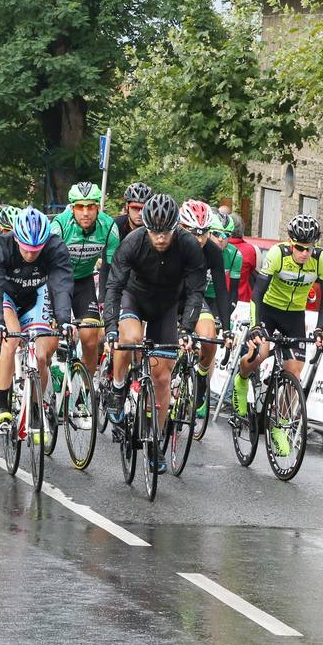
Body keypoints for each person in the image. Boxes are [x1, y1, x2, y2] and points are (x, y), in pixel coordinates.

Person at [104, 194, 208, 475]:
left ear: (176, 228)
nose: (160, 239)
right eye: (154, 232)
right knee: (130, 338)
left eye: (166, 233)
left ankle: (155, 443)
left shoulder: (187, 246)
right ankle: (117, 385)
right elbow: (113, 286)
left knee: (162, 378)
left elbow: (196, 290)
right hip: (134, 298)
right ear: (146, 228)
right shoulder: (133, 241)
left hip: (166, 307)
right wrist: (111, 326)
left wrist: (187, 327)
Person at [236, 214, 323, 453]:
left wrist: (319, 328)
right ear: (291, 242)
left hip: (294, 316)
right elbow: (257, 292)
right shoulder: (278, 254)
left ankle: (279, 425)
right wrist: (257, 326)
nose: (304, 253)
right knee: (260, 353)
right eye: (299, 248)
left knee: (294, 373)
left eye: (309, 248)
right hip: (268, 310)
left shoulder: (322, 260)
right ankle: (242, 380)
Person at [0, 207, 75, 430]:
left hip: (36, 297)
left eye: (37, 249)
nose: (31, 254)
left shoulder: (55, 247)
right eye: (26, 248)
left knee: (42, 355)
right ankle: (2, 407)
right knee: (10, 339)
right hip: (5, 296)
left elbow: (61, 286)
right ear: (16, 238)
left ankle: (35, 406)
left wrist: (63, 320)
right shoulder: (0, 246)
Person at [49, 181, 118, 380]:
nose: (85, 212)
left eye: (90, 206)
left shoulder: (109, 228)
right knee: (51, 339)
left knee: (90, 338)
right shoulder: (59, 226)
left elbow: (112, 268)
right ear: (72, 208)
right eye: (80, 206)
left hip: (83, 282)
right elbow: (47, 266)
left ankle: (85, 391)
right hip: (55, 282)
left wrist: (106, 299)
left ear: (98, 207)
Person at [178, 200, 235, 420]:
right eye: (194, 233)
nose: (200, 239)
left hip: (194, 298)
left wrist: (228, 328)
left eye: (204, 233)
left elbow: (222, 290)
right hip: (167, 298)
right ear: (182, 228)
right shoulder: (170, 243)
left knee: (210, 338)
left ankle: (201, 378)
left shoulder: (212, 250)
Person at [227, 214, 257, 303]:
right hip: (242, 300)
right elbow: (252, 270)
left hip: (220, 299)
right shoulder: (250, 249)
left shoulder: (218, 248)